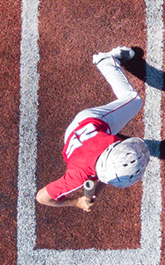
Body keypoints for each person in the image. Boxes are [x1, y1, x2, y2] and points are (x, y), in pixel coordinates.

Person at [35, 46, 150, 212]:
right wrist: (79, 201)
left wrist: (78, 201)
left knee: (134, 101)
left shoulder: (80, 175)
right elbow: (41, 198)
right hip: (85, 129)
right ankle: (106, 61)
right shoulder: (79, 175)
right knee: (133, 101)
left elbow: (43, 197)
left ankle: (106, 62)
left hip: (90, 127)